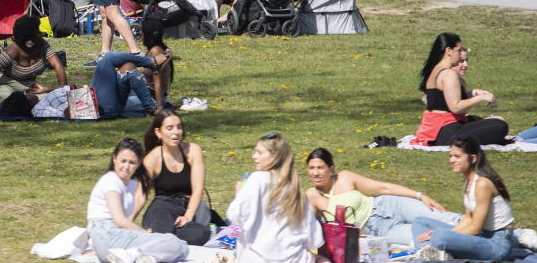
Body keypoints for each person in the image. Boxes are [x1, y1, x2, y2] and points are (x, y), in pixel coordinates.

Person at [305, 147, 456, 248]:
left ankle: (478, 226)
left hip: (387, 205)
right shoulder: (312, 196)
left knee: (447, 218)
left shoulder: (344, 177)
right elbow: (308, 229)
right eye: (311, 168)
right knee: (427, 240)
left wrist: (420, 195)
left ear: (331, 168)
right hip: (378, 230)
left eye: (320, 167)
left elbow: (383, 187)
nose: (316, 173)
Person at [226, 133, 326, 263]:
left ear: (274, 156)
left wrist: (239, 193)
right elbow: (315, 240)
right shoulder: (296, 189)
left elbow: (235, 216)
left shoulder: (257, 179)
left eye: (259, 153)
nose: (254, 156)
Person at [86, 138, 189, 263]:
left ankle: (141, 257)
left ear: (139, 163)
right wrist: (145, 234)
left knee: (181, 246)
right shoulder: (111, 180)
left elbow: (123, 223)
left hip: (116, 236)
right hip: (106, 234)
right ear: (114, 159)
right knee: (173, 243)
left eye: (132, 162)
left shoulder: (132, 183)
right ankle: (133, 255)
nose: (126, 167)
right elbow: (120, 220)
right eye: (123, 161)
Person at [411, 137, 514, 261]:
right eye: (450, 156)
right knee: (420, 222)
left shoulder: (482, 183)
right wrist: (449, 234)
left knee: (439, 235)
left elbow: (476, 228)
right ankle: (431, 252)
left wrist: (442, 235)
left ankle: (431, 251)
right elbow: (469, 218)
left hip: (496, 244)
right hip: (482, 236)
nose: (451, 160)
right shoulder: (468, 181)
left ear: (473, 158)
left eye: (457, 156)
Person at [414, 32, 509, 146]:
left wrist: (472, 93)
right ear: (448, 51)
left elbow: (443, 102)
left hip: (436, 129)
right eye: (458, 51)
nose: (460, 55)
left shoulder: (434, 71)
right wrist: (481, 98)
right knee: (500, 126)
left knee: (481, 120)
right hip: (446, 132)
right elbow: (456, 107)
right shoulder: (448, 74)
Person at [0, 15, 67, 113]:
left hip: (29, 87)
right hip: (5, 84)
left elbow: (57, 65)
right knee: (11, 104)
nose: (40, 33)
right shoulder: (13, 51)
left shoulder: (42, 44)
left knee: (47, 101)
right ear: (28, 38)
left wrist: (63, 88)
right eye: (37, 31)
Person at [140, 110, 210, 246]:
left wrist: (188, 216)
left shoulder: (193, 150)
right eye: (169, 128)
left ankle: (154, 236)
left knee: (200, 234)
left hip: (186, 207)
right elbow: (139, 193)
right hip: (162, 208)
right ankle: (158, 237)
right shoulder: (153, 158)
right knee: (163, 231)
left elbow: (198, 189)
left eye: (179, 127)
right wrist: (127, 220)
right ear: (158, 132)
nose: (176, 132)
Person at [90, 51, 170, 119]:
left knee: (128, 67)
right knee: (107, 57)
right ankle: (152, 62)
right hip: (97, 107)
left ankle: (152, 108)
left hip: (104, 104)